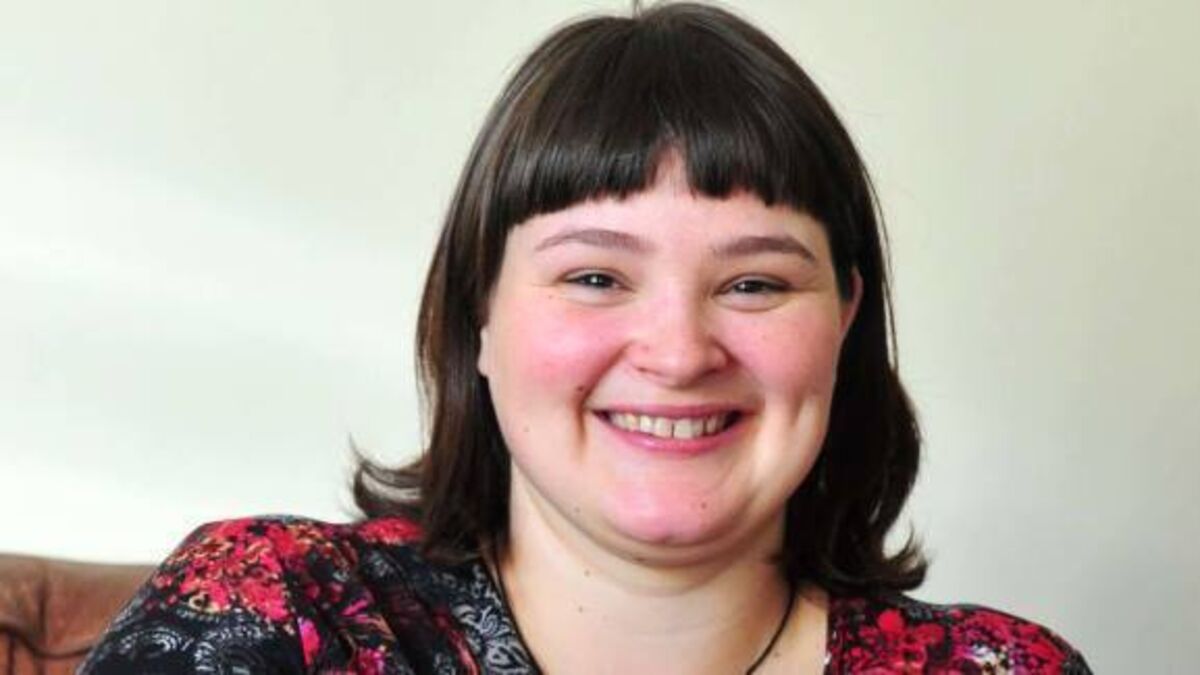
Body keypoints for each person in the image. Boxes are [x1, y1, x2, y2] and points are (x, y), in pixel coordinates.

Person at [82, 3, 1091, 673]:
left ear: (846, 320)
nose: (679, 352)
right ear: (479, 315)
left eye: (753, 283)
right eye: (596, 277)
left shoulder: (1009, 669)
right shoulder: (272, 617)